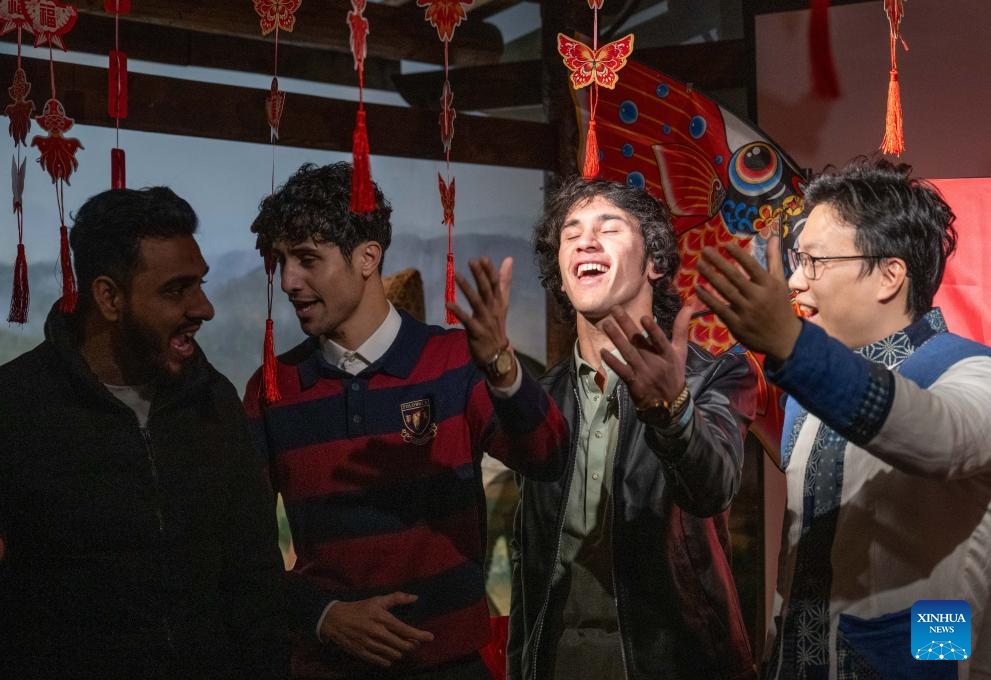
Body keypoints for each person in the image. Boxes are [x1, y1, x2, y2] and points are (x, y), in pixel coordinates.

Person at [243, 162, 568, 679]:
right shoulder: (272, 388)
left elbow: (548, 458)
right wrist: (323, 616)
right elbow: (241, 548)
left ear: (368, 257)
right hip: (326, 668)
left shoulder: (454, 362)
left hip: (450, 667)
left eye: (307, 259)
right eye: (279, 261)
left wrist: (503, 369)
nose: (288, 281)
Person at [696, 158, 991, 679]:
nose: (795, 280)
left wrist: (929, 659)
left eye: (814, 261)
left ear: (889, 275)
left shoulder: (971, 371)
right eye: (797, 259)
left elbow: (940, 438)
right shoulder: (807, 392)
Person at [0, 187, 289, 679]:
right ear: (109, 297)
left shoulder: (212, 400)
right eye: (176, 290)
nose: (204, 308)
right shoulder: (18, 406)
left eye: (200, 284)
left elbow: (254, 576)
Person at [508, 176, 758, 680]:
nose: (585, 241)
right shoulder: (540, 398)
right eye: (571, 233)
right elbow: (524, 558)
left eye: (609, 228)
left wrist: (673, 412)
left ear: (654, 262)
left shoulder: (714, 375)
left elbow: (713, 487)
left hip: (673, 664)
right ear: (560, 276)